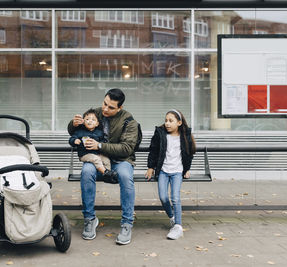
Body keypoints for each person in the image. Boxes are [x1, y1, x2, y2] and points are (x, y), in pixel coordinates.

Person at [67, 88, 138, 245]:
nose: (105, 109)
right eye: (104, 103)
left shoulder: (129, 122)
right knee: (86, 172)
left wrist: (99, 145)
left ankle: (127, 223)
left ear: (120, 108)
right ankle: (89, 219)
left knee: (126, 176)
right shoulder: (95, 113)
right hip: (97, 159)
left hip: (121, 160)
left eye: (111, 107)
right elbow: (75, 132)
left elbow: (127, 148)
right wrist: (73, 124)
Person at [145, 109, 196, 240]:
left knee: (175, 197)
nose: (167, 123)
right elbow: (153, 151)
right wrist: (151, 167)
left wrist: (187, 169)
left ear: (179, 123)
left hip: (177, 172)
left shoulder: (185, 136)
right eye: (166, 120)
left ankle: (178, 226)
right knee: (163, 197)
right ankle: (172, 217)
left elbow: (189, 154)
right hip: (163, 170)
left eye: (171, 121)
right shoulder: (160, 134)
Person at [68, 108, 118, 182]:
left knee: (106, 159)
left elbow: (102, 141)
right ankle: (105, 172)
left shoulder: (99, 132)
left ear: (97, 123)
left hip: (97, 153)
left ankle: (108, 175)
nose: (90, 121)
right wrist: (75, 140)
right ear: (83, 121)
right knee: (96, 159)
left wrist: (99, 144)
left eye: (93, 120)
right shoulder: (80, 131)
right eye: (87, 119)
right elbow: (71, 139)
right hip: (85, 154)